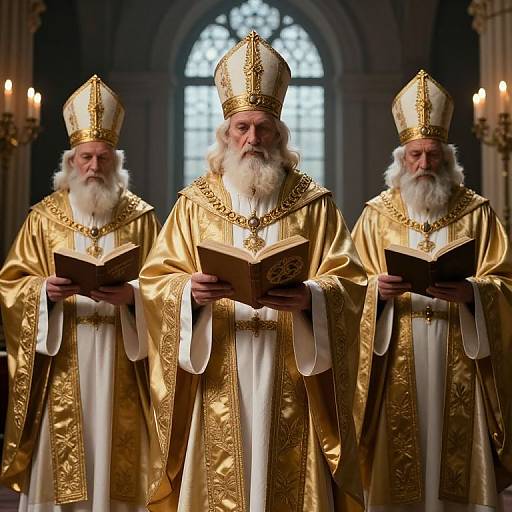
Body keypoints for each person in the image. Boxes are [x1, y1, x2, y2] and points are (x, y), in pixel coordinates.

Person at [139, 31, 367, 511]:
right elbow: (158, 281)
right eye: (241, 127)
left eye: (263, 128)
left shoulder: (314, 205)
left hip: (291, 362)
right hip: (220, 361)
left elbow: (351, 281)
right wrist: (190, 293)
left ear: (280, 134)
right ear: (225, 134)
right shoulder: (194, 205)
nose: (252, 139)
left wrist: (313, 298)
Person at [351, 69, 512, 511]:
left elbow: (505, 282)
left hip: (459, 349)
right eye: (415, 156)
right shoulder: (375, 216)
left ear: (448, 158)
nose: (424, 166)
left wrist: (475, 294)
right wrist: (375, 291)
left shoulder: (476, 212)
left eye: (433, 156)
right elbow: (348, 287)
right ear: (401, 160)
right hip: (396, 349)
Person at [0, 75, 160, 511]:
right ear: (71, 162)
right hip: (63, 358)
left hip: (121, 361)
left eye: (103, 158)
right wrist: (43, 291)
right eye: (85, 157)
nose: (93, 167)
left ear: (116, 162)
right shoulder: (43, 218)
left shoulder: (141, 218)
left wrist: (133, 298)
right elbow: (13, 284)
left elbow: (165, 286)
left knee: (118, 465)